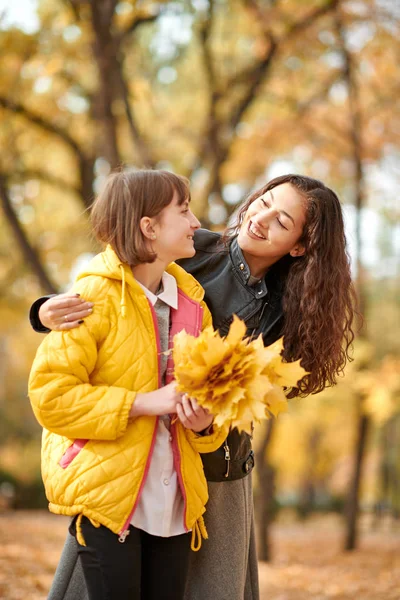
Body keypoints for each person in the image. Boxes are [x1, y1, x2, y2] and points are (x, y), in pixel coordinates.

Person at [30, 173, 357, 600]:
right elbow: (111, 289)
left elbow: (261, 393)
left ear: (300, 246)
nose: (260, 219)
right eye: (264, 202)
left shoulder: (292, 309)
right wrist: (43, 311)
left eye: (282, 221)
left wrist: (209, 421)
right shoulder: (191, 246)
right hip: (137, 446)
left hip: (217, 464)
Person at [28, 169, 228, 600]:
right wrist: (143, 402)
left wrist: (205, 424)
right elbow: (52, 399)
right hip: (108, 500)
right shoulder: (88, 302)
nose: (197, 222)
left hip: (176, 504)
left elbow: (216, 411)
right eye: (184, 210)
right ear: (149, 227)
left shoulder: (195, 309)